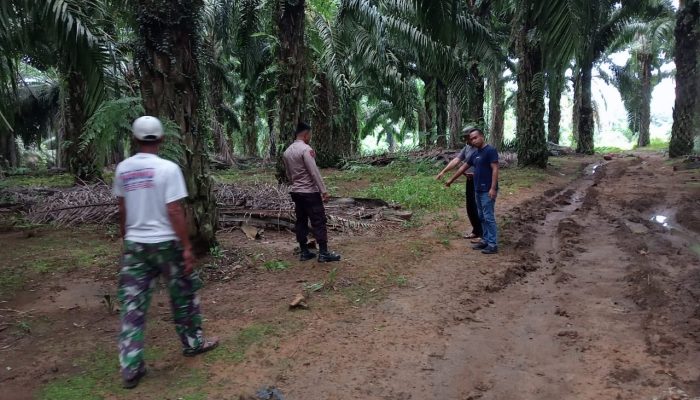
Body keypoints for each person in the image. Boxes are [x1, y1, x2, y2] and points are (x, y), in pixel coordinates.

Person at [112, 116, 218, 389]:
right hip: (166, 244)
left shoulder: (123, 169)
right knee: (183, 296)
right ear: (161, 139)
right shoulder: (168, 169)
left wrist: (127, 238)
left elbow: (122, 210)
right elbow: (174, 210)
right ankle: (193, 343)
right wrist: (185, 247)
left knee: (133, 306)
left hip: (136, 245)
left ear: (134, 140)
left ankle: (131, 367)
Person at [282, 122, 341, 262]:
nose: (310, 137)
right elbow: (314, 172)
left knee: (301, 221)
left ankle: (304, 251)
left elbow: (289, 174)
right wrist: (324, 191)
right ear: (306, 134)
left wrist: (295, 184)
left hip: (296, 192)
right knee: (318, 221)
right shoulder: (306, 149)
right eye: (310, 134)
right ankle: (324, 253)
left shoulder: (287, 151)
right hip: (309, 192)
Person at [445, 128, 499, 254]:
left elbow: (495, 169)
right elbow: (463, 167)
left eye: (475, 138)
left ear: (482, 136)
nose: (473, 141)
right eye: (471, 139)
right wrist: (450, 180)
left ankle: (492, 243)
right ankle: (485, 240)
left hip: (487, 190)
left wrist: (493, 188)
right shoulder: (475, 154)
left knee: (488, 216)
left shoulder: (490, 151)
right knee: (481, 216)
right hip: (478, 189)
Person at [436, 126, 483, 243]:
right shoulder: (467, 148)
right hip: (470, 180)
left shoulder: (481, 148)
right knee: (470, 206)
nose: (468, 140)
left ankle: (483, 234)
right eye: (467, 138)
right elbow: (457, 160)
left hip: (481, 181)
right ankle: (476, 231)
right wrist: (443, 171)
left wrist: (452, 179)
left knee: (480, 207)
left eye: (470, 137)